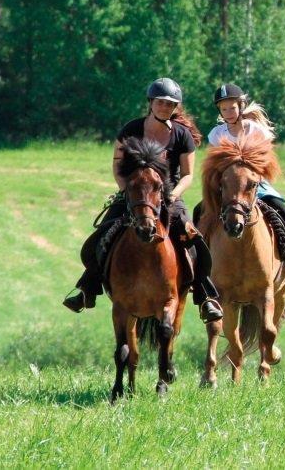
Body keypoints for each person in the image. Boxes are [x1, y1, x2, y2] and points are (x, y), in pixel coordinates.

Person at [62, 78, 223, 323]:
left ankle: (204, 293)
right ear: (151, 103)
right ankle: (88, 286)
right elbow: (118, 165)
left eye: (170, 104)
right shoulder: (131, 129)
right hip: (134, 194)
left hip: (168, 195)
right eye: (160, 102)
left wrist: (173, 194)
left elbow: (188, 175)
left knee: (193, 240)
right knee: (104, 233)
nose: (165, 107)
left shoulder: (182, 135)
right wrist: (126, 190)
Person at [205, 83, 285, 291]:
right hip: (227, 188)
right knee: (201, 212)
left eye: (232, 108)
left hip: (256, 184)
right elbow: (213, 166)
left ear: (240, 107)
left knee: (280, 207)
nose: (228, 112)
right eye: (223, 109)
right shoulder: (216, 134)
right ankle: (199, 265)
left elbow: (266, 159)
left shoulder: (255, 130)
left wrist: (251, 177)